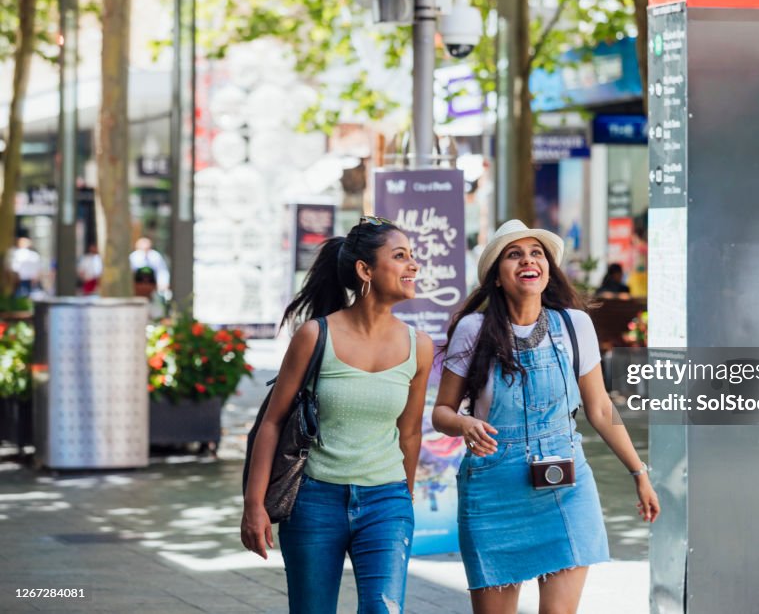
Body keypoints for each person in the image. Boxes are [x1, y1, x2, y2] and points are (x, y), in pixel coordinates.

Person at [433, 219, 659, 614]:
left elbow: (601, 409)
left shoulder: (574, 325)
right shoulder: (473, 329)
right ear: (497, 278)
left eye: (536, 253)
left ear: (548, 269)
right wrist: (464, 423)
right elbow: (441, 413)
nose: (528, 260)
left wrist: (639, 473)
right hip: (493, 486)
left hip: (565, 479)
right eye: (514, 254)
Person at [241, 217, 433, 614]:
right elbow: (272, 422)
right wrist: (254, 505)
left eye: (412, 256)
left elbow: (410, 433)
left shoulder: (420, 346)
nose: (413, 265)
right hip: (314, 501)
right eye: (400, 256)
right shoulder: (315, 336)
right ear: (365, 270)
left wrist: (404, 498)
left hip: (387, 501)